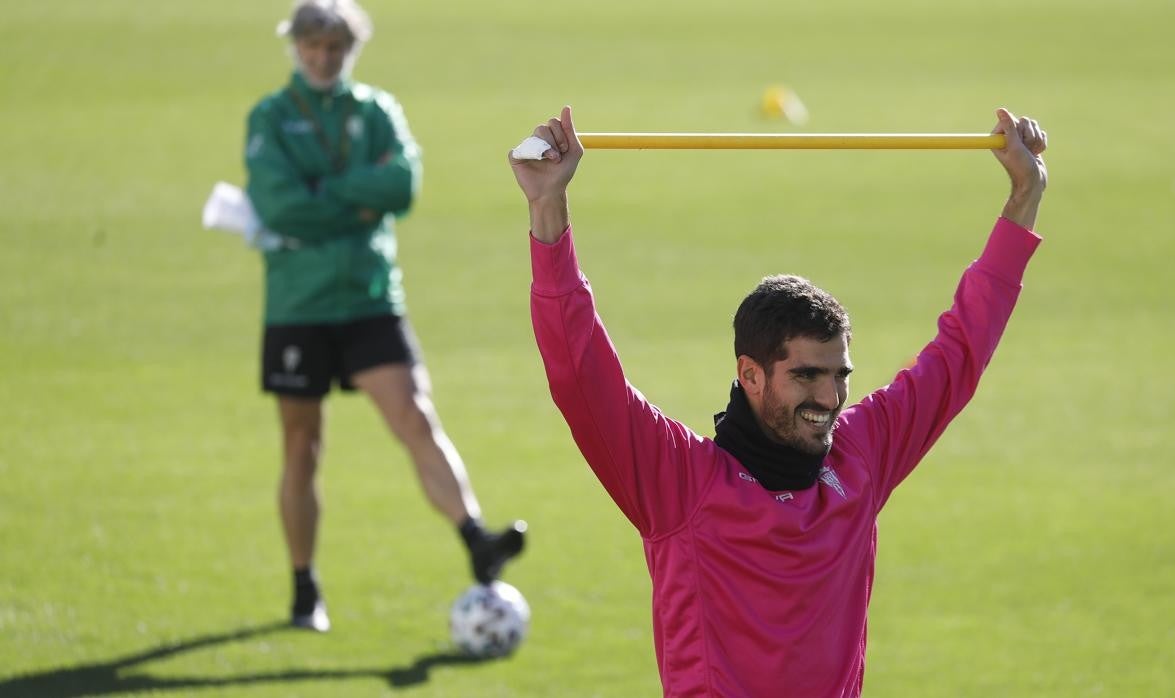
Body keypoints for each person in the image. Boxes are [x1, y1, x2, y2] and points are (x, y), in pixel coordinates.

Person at [510, 105, 1046, 696]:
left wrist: (1024, 196)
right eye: (807, 375)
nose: (830, 397)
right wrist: (547, 209)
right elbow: (580, 373)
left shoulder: (860, 459)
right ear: (751, 374)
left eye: (840, 374)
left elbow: (958, 354)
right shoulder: (680, 484)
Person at [243, 0, 525, 633]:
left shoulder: (375, 111)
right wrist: (354, 199)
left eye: (336, 47)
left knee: (416, 416)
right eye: (313, 47)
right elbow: (277, 205)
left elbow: (401, 187)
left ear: (352, 48)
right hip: (299, 304)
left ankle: (475, 538)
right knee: (302, 448)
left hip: (370, 296)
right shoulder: (271, 116)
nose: (324, 58)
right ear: (295, 47)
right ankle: (303, 586)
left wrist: (324, 193)